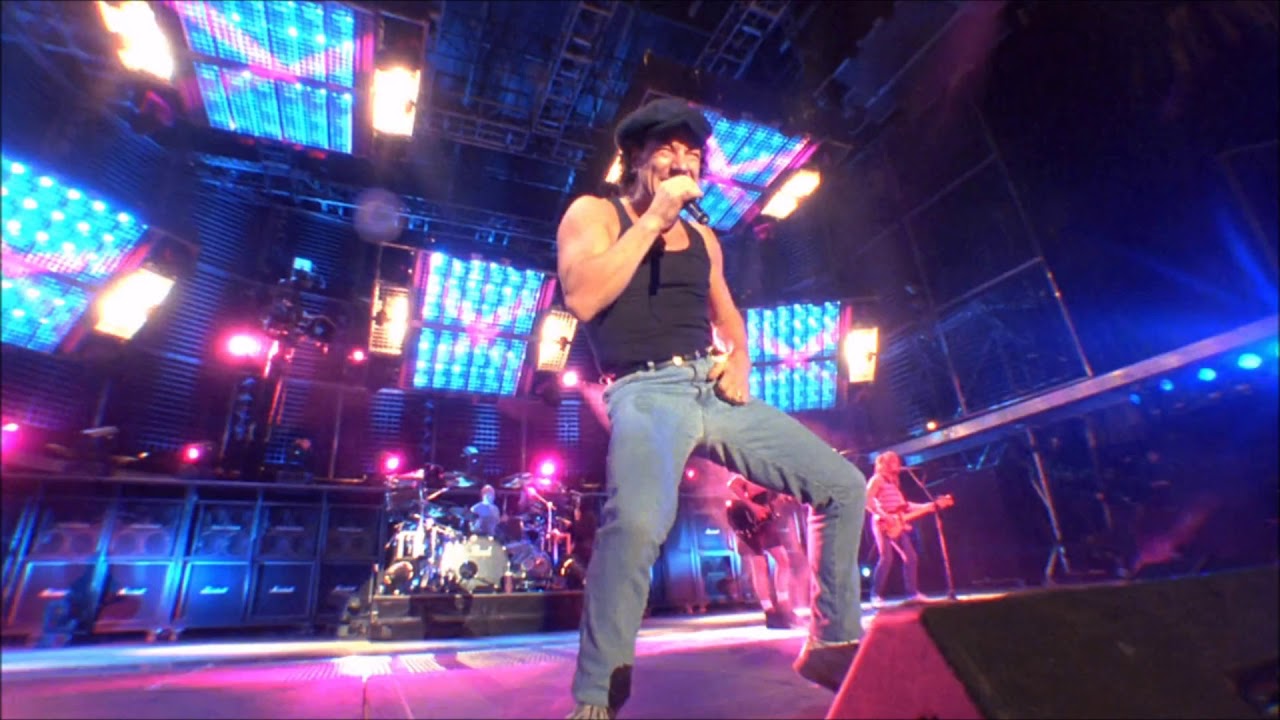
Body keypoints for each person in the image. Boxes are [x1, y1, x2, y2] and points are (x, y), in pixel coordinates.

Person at [557, 96, 867, 720]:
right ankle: (595, 700)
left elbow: (726, 314)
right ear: (635, 160)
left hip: (710, 385)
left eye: (692, 154)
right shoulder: (595, 212)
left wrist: (741, 358)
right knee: (635, 527)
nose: (682, 163)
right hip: (644, 390)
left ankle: (832, 643)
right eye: (666, 151)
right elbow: (584, 298)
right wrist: (653, 220)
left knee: (843, 486)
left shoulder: (703, 238)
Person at [726, 473, 804, 629]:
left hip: (764, 517)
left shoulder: (774, 474)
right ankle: (770, 611)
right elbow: (732, 484)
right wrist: (752, 506)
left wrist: (782, 497)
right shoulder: (752, 468)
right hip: (746, 517)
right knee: (759, 563)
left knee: (782, 560)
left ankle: (783, 604)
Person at [865, 451, 928, 607]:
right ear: (886, 464)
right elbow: (867, 500)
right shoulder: (877, 479)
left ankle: (912, 594)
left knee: (911, 557)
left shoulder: (894, 482)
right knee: (886, 558)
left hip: (897, 523)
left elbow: (904, 505)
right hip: (882, 523)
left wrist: (928, 505)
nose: (898, 464)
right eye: (894, 461)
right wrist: (883, 515)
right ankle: (875, 595)